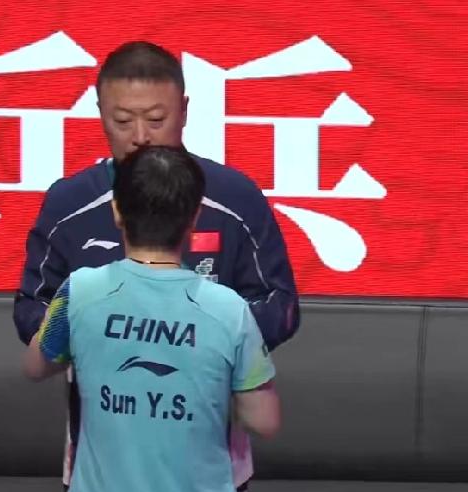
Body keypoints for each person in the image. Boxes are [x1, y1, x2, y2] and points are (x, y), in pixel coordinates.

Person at [14, 41, 300, 490]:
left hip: (213, 464)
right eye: (122, 120)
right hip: (100, 463)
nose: (140, 136)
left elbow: (280, 304)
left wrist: (201, 340)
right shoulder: (69, 204)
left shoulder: (236, 198)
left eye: (155, 119)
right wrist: (96, 333)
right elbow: (32, 307)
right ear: (99, 112)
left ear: (183, 110)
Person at [23, 145, 281, 492]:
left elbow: (35, 366)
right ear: (195, 217)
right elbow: (264, 420)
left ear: (116, 211)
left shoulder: (78, 291)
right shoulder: (230, 310)